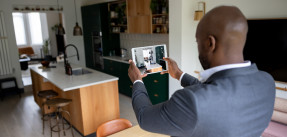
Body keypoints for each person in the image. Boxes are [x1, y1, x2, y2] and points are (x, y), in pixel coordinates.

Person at [128, 6, 275, 137]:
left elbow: (144, 117)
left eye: (197, 42)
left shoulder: (191, 101)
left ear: (210, 43)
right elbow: (213, 94)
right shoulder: (266, 81)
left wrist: (137, 80)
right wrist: (179, 74)